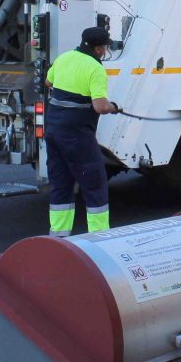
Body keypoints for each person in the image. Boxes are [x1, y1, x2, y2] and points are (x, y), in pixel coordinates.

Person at [44, 26, 121, 236]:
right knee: (94, 184)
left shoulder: (64, 57)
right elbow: (99, 106)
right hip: (77, 136)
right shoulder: (96, 69)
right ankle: (99, 236)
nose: (105, 51)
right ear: (98, 48)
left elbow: (48, 81)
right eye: (105, 47)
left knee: (61, 183)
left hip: (54, 132)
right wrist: (114, 107)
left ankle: (59, 236)